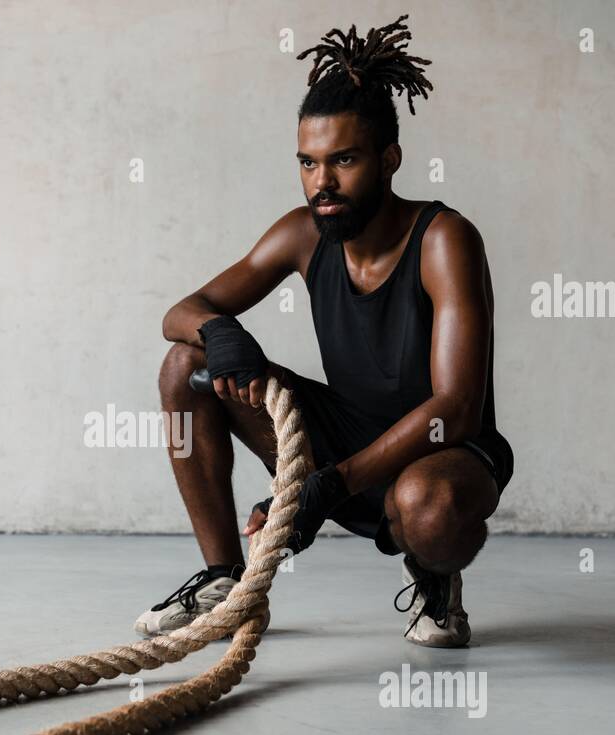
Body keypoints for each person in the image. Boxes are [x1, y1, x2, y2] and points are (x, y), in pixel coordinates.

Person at [135, 16, 514, 648]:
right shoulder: (302, 234)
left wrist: (329, 485)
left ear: (389, 159)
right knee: (185, 364)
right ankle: (224, 577)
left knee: (430, 504)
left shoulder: (444, 240)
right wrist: (221, 331)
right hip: (344, 436)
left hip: (442, 450)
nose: (322, 183)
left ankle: (435, 579)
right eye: (308, 163)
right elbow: (182, 311)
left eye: (343, 159)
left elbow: (456, 406)